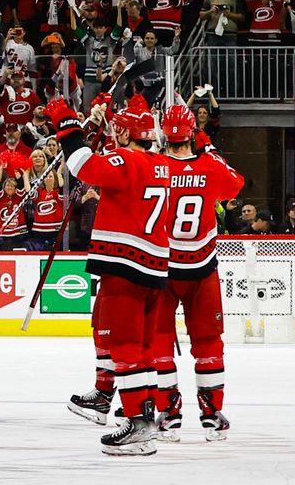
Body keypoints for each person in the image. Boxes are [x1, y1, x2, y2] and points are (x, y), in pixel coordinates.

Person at [52, 94, 173, 456]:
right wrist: (106, 128)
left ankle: (136, 423)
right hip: (154, 266)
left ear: (124, 132)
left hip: (126, 265)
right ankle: (142, 414)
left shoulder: (126, 160)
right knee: (143, 348)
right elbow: (115, 165)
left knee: (125, 347)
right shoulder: (159, 162)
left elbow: (83, 165)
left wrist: (66, 123)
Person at [149, 103, 243, 441]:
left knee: (158, 343)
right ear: (191, 133)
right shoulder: (209, 165)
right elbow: (235, 184)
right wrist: (207, 143)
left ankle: (168, 415)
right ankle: (211, 414)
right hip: (202, 267)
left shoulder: (155, 166)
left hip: (163, 267)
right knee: (208, 344)